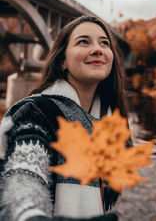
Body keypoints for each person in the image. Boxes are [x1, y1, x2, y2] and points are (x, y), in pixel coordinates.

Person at [0, 16, 130, 221]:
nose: (97, 49)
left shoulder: (109, 127)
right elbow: (24, 172)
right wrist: (29, 215)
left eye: (104, 43)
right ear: (62, 61)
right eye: (83, 42)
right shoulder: (39, 113)